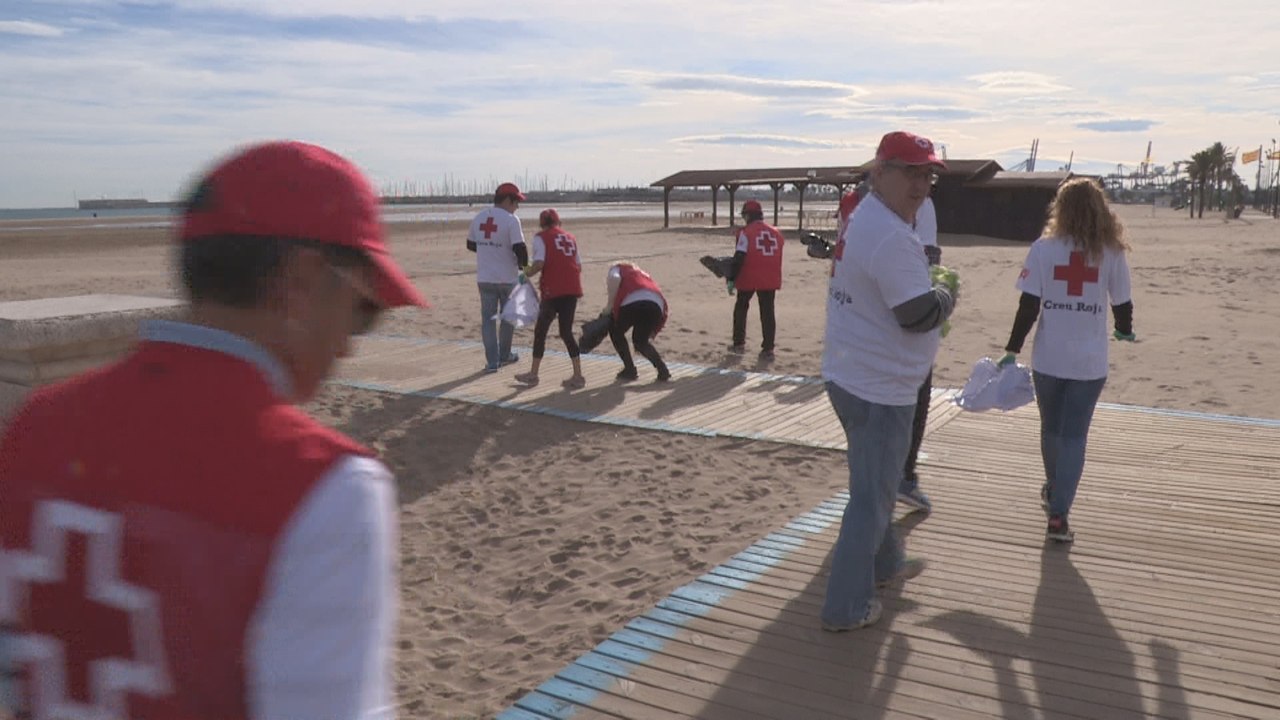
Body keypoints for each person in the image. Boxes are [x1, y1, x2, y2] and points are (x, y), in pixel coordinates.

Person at [0, 140, 424, 718]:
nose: (350, 343)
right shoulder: (326, 486)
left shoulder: (33, 425)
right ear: (298, 281)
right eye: (362, 310)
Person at [820, 130, 954, 632]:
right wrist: (945, 292)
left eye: (928, 175)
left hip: (853, 374)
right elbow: (917, 315)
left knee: (872, 484)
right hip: (879, 388)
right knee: (872, 501)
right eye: (910, 172)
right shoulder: (893, 236)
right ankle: (845, 608)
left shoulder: (867, 215)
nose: (921, 185)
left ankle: (884, 564)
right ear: (880, 172)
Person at [998, 177, 1134, 544]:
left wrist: (1012, 348)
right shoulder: (1111, 251)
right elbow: (1121, 302)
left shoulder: (1043, 249)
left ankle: (1055, 493)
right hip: (1089, 364)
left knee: (1051, 430)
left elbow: (1028, 305)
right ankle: (1059, 514)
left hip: (1049, 359)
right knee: (1074, 436)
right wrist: (1124, 330)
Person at [898, 193, 941, 514]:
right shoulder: (920, 204)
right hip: (906, 325)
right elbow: (928, 265)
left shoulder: (860, 206)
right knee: (915, 398)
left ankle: (887, 478)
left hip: (860, 332)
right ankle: (904, 477)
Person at [515, 209, 586, 389]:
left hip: (553, 291)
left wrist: (526, 271)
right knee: (566, 332)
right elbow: (578, 265)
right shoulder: (570, 237)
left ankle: (534, 374)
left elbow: (539, 263)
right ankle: (578, 375)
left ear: (542, 223)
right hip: (572, 288)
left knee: (541, 331)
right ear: (558, 222)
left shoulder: (541, 238)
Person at [467, 181, 528, 372]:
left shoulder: (479, 217)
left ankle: (492, 362)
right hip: (507, 279)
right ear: (508, 200)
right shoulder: (511, 220)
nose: (517, 207)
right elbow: (521, 249)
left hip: (484, 278)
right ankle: (505, 354)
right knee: (508, 318)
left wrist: (488, 251)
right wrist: (523, 267)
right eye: (516, 202)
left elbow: (471, 244)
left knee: (488, 321)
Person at [727, 200, 785, 359]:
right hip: (770, 278)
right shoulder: (776, 233)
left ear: (748, 216)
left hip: (749, 276)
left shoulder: (745, 233)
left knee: (741, 307)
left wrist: (731, 278)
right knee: (767, 312)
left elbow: (739, 257)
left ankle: (739, 343)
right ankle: (768, 348)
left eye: (745, 215)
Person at [605, 262, 671, 382]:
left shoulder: (616, 268)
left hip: (632, 302)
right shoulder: (642, 273)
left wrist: (609, 307)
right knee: (641, 342)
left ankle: (630, 369)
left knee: (616, 331)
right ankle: (662, 369)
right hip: (657, 305)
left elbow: (615, 278)